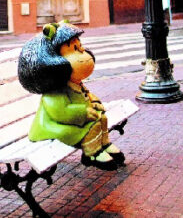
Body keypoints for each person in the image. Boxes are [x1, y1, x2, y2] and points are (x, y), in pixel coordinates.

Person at [17, 21, 125, 171]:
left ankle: (103, 144)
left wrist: (93, 102)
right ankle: (92, 153)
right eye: (75, 49)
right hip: (51, 127)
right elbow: (61, 112)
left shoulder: (73, 84)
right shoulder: (53, 94)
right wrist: (84, 112)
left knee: (102, 118)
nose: (84, 54)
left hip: (71, 121)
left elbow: (86, 95)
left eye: (80, 48)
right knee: (91, 126)